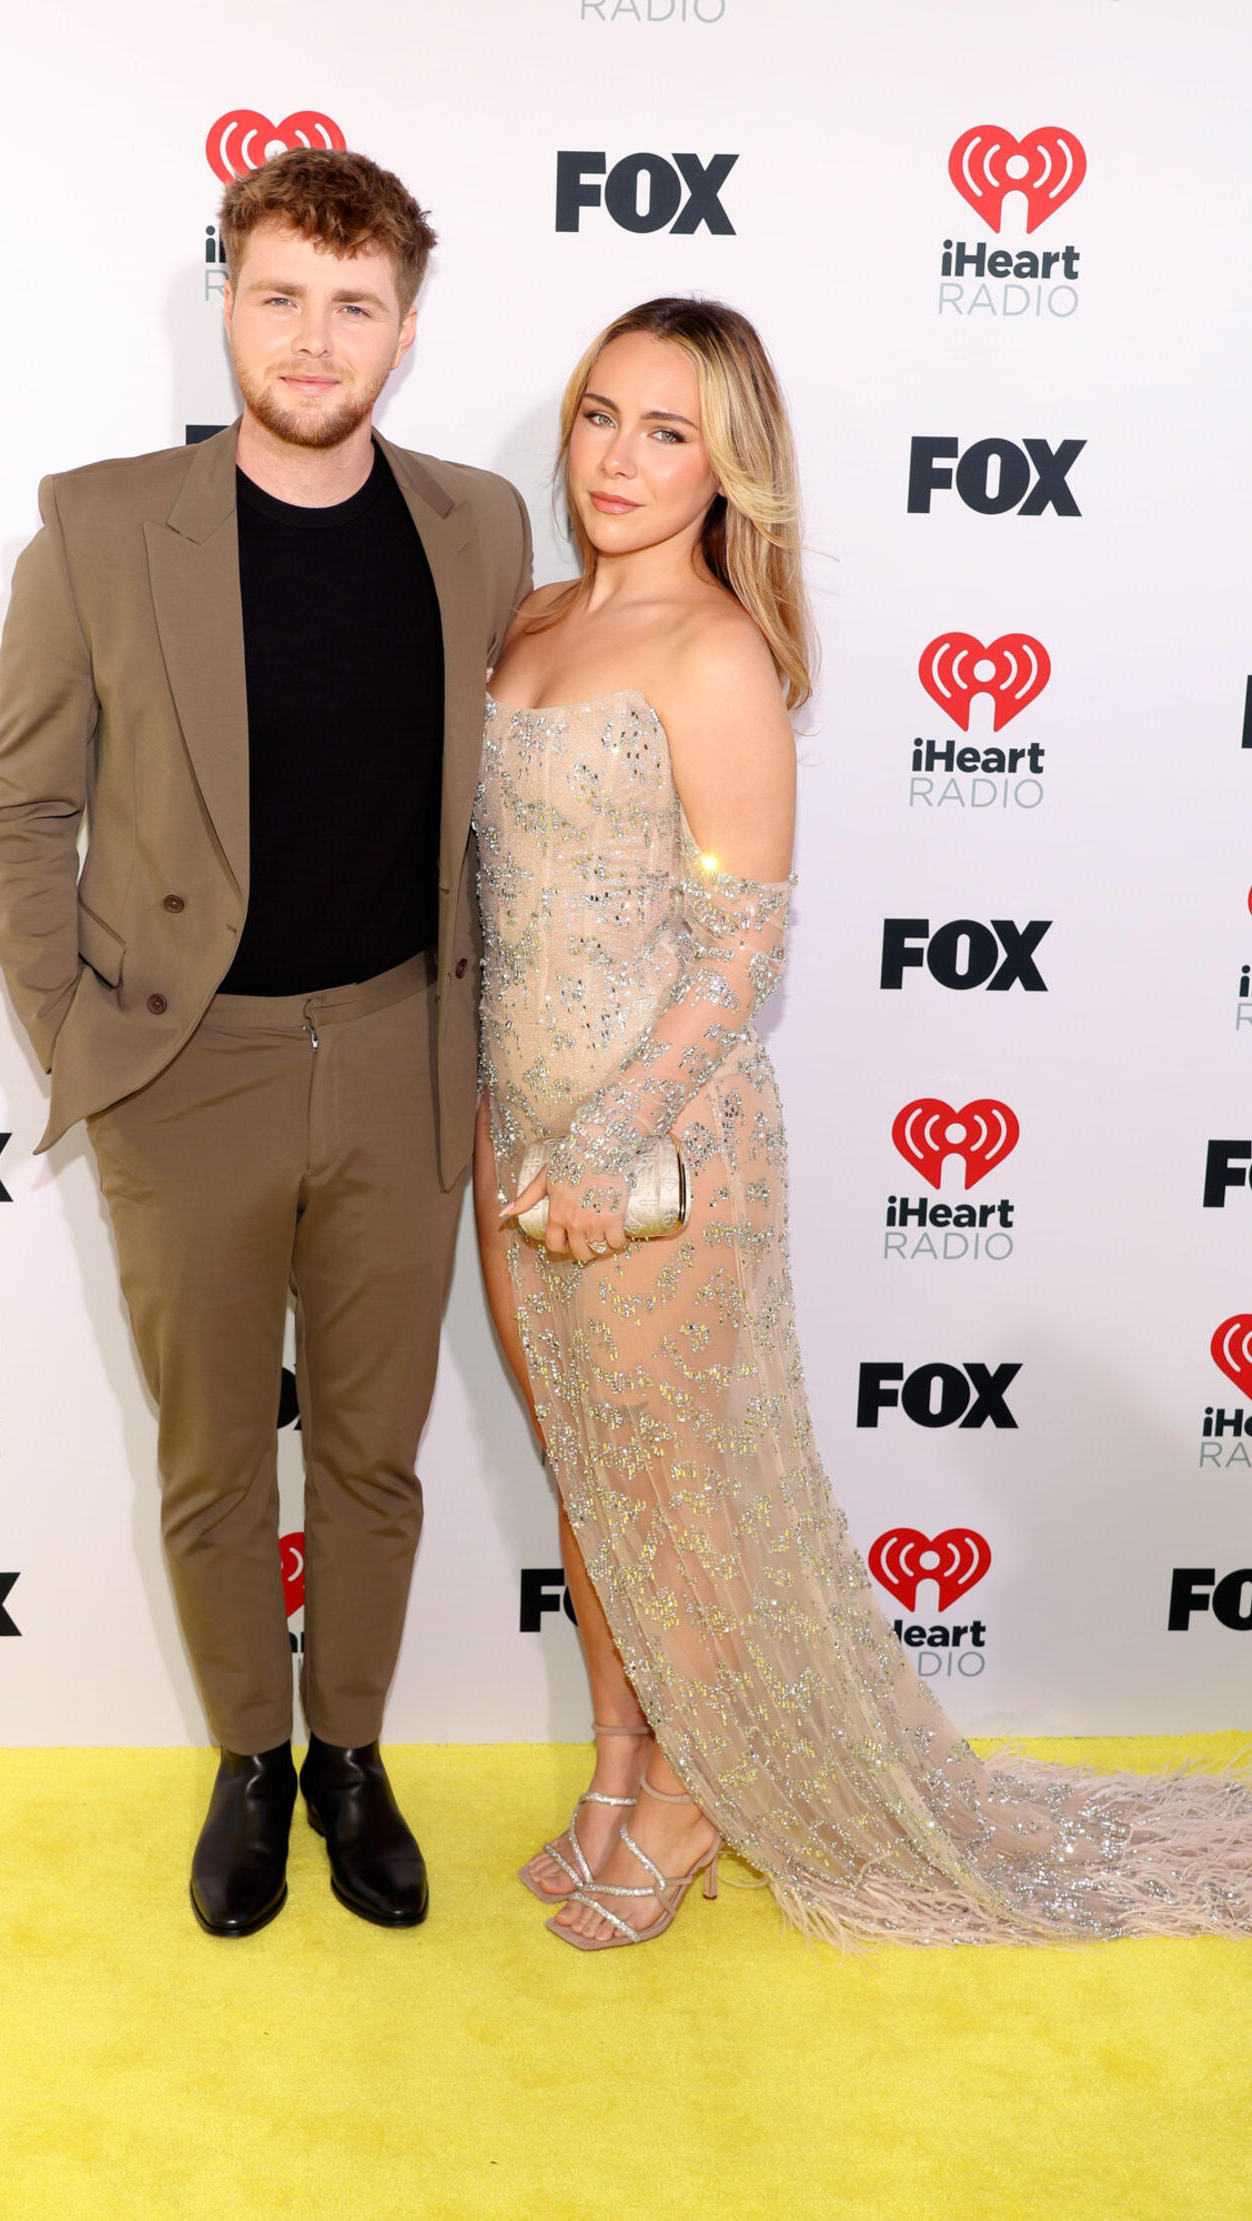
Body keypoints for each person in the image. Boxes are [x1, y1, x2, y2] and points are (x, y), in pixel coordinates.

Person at [472, 296, 1252, 1950]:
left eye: (668, 432)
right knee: (592, 1482)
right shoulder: (530, 618)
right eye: (603, 415)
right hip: (517, 1142)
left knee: (684, 1487)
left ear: (728, 469)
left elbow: (743, 939)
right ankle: (620, 1763)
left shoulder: (713, 651)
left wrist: (616, 1141)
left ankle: (690, 1802)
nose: (620, 457)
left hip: (663, 1153)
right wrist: (545, 1142)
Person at [0, 148, 531, 1939]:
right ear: (223, 299)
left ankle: (351, 1755)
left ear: (406, 330)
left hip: (397, 1056)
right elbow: (25, 807)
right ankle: (247, 1761)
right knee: (216, 1451)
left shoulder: (482, 527)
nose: (314, 338)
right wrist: (87, 1041)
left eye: (353, 305)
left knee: (371, 1448)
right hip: (183, 1072)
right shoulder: (95, 525)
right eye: (280, 294)